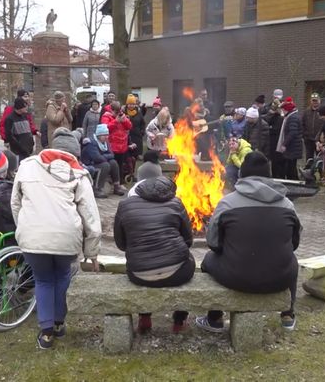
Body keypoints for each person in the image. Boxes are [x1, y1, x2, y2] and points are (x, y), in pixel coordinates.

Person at [196, 151, 301, 333]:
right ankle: (287, 315)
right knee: (292, 261)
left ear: (242, 175)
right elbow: (294, 244)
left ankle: (214, 318)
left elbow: (213, 243)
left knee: (208, 259)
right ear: (269, 176)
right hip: (279, 277)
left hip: (236, 277)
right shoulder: (287, 205)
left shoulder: (227, 204)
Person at [11, 144, 102, 349]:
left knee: (43, 280)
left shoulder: (26, 166)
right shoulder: (80, 173)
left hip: (32, 235)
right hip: (66, 236)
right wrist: (91, 252)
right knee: (62, 276)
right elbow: (90, 215)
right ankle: (59, 323)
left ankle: (46, 334)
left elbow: (15, 203)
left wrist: (24, 229)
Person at [114, 176, 195, 334]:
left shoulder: (124, 205)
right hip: (178, 273)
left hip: (139, 273)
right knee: (188, 257)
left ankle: (144, 318)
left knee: (143, 260)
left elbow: (121, 244)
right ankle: (179, 321)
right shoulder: (176, 203)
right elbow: (188, 241)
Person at [81, 124, 126, 198]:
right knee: (105, 165)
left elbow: (112, 155)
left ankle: (116, 186)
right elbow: (97, 158)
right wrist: (105, 157)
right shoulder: (91, 143)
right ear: (98, 135)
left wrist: (104, 156)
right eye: (104, 135)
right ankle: (97, 189)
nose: (106, 137)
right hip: (89, 165)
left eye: (107, 135)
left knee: (113, 163)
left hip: (98, 163)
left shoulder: (105, 143)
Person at [101, 101, 132, 184]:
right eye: (115, 112)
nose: (117, 113)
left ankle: (120, 183)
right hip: (112, 145)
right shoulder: (106, 116)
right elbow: (105, 128)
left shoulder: (121, 115)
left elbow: (129, 126)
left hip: (122, 145)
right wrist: (116, 121)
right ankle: (111, 182)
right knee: (112, 165)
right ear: (111, 110)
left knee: (120, 165)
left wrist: (124, 120)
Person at [276, 97, 303, 180]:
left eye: (283, 110)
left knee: (291, 168)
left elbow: (292, 132)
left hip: (293, 147)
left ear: (286, 110)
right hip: (294, 146)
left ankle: (294, 182)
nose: (282, 112)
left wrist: (284, 144)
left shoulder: (292, 118)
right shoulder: (292, 116)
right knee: (291, 167)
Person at [4, 97, 35, 162]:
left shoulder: (25, 116)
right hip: (18, 152)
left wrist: (31, 142)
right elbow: (9, 136)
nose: (27, 108)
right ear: (20, 107)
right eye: (25, 106)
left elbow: (28, 131)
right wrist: (20, 147)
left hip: (28, 150)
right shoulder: (10, 119)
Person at [263, 98, 284, 178]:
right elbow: (265, 120)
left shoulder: (282, 117)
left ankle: (281, 176)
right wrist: (271, 113)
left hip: (281, 141)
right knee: (274, 162)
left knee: (281, 162)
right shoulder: (271, 116)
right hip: (273, 142)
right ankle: (275, 176)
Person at [301, 92, 324, 168]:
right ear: (311, 101)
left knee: (320, 157)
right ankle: (308, 173)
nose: (315, 103)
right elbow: (302, 124)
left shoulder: (322, 111)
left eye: (316, 101)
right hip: (308, 140)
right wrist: (304, 135)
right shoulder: (306, 112)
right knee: (309, 157)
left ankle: (321, 174)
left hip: (319, 141)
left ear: (319, 101)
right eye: (313, 101)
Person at [124, 94, 146, 158]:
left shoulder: (139, 113)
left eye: (133, 104)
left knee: (137, 147)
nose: (131, 106)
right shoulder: (124, 112)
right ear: (127, 104)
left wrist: (142, 131)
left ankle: (137, 155)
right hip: (127, 134)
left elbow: (143, 123)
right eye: (130, 104)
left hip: (137, 134)